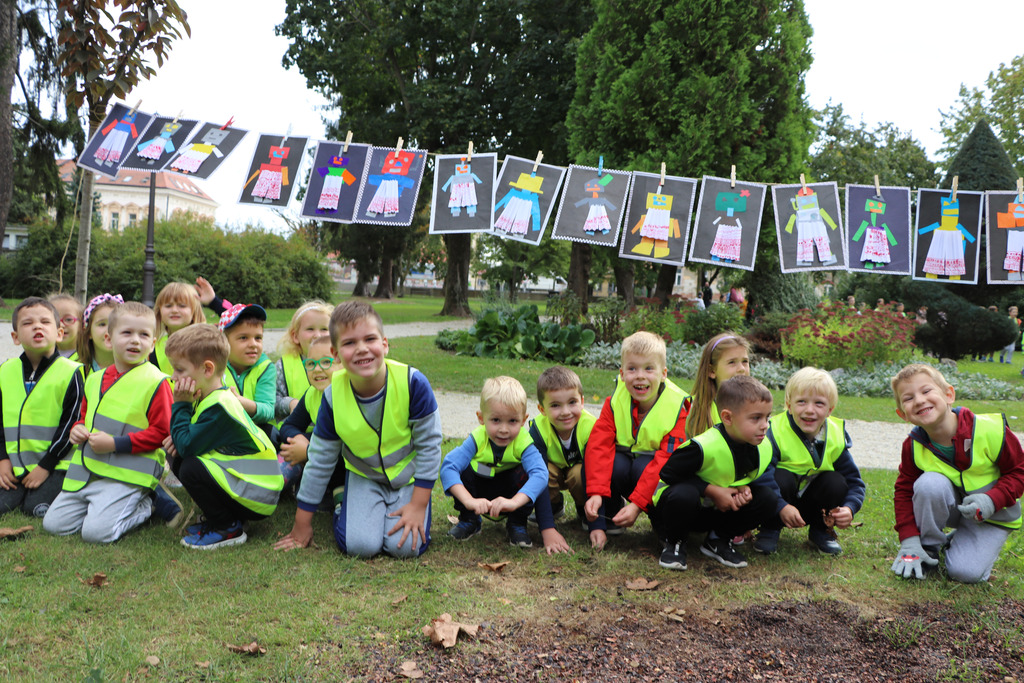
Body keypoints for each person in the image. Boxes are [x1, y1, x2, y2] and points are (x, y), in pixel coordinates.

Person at [274, 301, 442, 558]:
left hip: (408, 477)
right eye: (350, 343)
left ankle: (398, 508)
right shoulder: (332, 397)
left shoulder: (413, 383)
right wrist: (302, 524)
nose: (362, 349)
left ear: (384, 343)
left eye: (370, 339)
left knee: (405, 548)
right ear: (337, 354)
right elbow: (319, 462)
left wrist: (418, 505)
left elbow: (430, 447)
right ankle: (346, 508)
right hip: (363, 477)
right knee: (361, 547)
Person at [43, 302, 174, 543]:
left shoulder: (157, 382)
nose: (136, 341)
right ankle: (102, 508)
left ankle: (148, 505)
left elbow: (162, 434)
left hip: (128, 476)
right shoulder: (94, 379)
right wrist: (77, 429)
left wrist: (116, 444)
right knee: (53, 526)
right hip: (87, 472)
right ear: (109, 338)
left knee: (95, 535)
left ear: (153, 343)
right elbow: (83, 417)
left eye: (144, 335)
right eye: (127, 333)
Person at [889, 364, 1024, 583]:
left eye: (926, 391)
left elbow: (1019, 471)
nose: (920, 400)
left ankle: (958, 542)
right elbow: (904, 492)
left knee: (965, 573)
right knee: (929, 484)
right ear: (902, 414)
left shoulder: (990, 430)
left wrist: (992, 499)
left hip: (992, 514)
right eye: (908, 398)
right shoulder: (912, 446)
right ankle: (928, 548)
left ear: (949, 394)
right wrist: (909, 539)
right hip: (953, 506)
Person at [163, 324, 284, 549]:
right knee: (179, 456)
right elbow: (186, 442)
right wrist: (180, 437)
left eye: (179, 369)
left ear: (207, 369)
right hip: (252, 488)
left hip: (259, 495)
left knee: (189, 466)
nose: (173, 376)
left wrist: (181, 404)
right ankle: (224, 517)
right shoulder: (213, 396)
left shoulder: (219, 407)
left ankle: (228, 527)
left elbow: (188, 446)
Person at [652, 375, 779, 570]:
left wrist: (744, 490)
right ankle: (674, 543)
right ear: (727, 417)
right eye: (756, 418)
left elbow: (739, 476)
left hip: (716, 512)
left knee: (768, 498)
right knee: (684, 494)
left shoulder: (763, 446)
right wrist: (712, 491)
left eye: (767, 417)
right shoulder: (703, 446)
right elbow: (669, 474)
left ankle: (718, 540)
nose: (764, 425)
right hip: (677, 511)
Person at [583, 331, 690, 551]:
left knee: (650, 468)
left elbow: (665, 461)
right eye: (632, 369)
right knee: (610, 461)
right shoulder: (614, 402)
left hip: (658, 472)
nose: (640, 376)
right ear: (622, 374)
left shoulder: (679, 405)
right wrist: (595, 493)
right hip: (627, 465)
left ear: (663, 374)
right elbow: (598, 446)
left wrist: (637, 506)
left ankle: (660, 522)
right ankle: (608, 513)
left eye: (649, 368)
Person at [442, 376, 570, 553]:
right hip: (480, 489)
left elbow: (540, 474)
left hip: (512, 494)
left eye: (512, 421)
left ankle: (517, 523)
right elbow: (449, 467)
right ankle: (469, 520)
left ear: (524, 420)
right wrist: (469, 501)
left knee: (530, 472)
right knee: (463, 467)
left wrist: (514, 502)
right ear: (481, 417)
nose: (504, 429)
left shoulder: (524, 442)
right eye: (495, 420)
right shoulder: (477, 438)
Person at [753, 367, 865, 555]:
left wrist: (849, 508)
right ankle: (769, 529)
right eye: (801, 402)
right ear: (789, 405)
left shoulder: (835, 436)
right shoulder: (774, 431)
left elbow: (855, 482)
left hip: (811, 503)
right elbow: (761, 477)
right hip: (780, 501)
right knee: (780, 477)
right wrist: (781, 506)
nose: (809, 410)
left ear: (830, 410)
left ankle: (821, 531)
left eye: (819, 403)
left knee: (836, 481)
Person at [0, 298, 84, 517]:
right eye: (27, 323)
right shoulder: (5, 371)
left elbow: (71, 425)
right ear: (16, 337)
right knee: (3, 504)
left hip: (56, 464)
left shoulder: (72, 372)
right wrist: (2, 460)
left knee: (35, 509)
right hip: (15, 464)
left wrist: (45, 466)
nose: (37, 326)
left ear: (59, 333)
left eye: (45, 322)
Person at [528, 366, 598, 545]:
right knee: (544, 472)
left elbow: (597, 473)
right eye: (555, 405)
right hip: (554, 472)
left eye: (572, 402)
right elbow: (537, 474)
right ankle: (553, 506)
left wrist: (597, 524)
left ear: (582, 401)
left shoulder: (591, 427)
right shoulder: (538, 430)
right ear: (542, 409)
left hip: (582, 475)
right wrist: (547, 527)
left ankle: (585, 511)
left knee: (578, 473)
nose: (566, 411)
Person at [276, 334, 341, 496]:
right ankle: (273, 484)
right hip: (319, 452)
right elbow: (289, 426)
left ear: (343, 363)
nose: (317, 369)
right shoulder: (312, 394)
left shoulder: (350, 394)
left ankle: (332, 494)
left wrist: (308, 451)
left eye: (326, 362)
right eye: (311, 363)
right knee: (285, 451)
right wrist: (298, 439)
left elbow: (347, 445)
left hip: (349, 466)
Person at [271, 301, 333, 436]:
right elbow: (272, 399)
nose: (317, 335)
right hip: (293, 432)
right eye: (310, 329)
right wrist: (289, 403)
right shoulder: (284, 365)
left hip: (330, 435)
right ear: (295, 336)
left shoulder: (339, 362)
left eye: (324, 329)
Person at [218, 303, 276, 431]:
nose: (253, 344)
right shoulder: (214, 365)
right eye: (243, 338)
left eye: (258, 338)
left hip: (253, 430)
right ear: (224, 342)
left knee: (272, 433)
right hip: (219, 428)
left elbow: (268, 410)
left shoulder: (265, 368)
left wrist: (242, 403)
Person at [150, 282, 206, 377]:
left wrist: (214, 302)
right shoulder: (152, 346)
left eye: (182, 306)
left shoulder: (206, 344)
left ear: (194, 311)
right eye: (168, 306)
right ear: (159, 312)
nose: (174, 310)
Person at [75, 293, 123, 377]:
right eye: (102, 324)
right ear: (88, 332)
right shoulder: (76, 370)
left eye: (116, 324)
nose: (109, 330)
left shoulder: (135, 369)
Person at [48, 293, 83, 360]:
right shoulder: (39, 356)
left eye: (68, 319)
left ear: (81, 323)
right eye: (55, 319)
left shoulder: (89, 358)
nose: (61, 325)